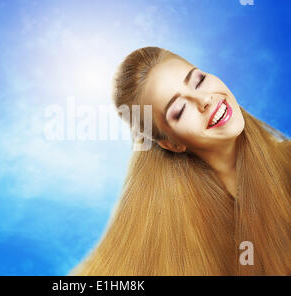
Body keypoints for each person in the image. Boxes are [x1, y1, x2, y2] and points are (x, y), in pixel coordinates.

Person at [69, 47, 291, 275]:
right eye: (180, 109)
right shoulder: (177, 238)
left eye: (199, 80)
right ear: (171, 144)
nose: (204, 99)